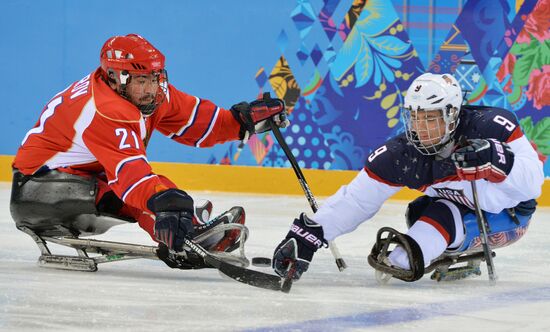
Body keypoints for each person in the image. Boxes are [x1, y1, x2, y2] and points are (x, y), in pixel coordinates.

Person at [10, 34, 288, 269]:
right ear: (115, 78)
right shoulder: (103, 111)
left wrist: (242, 123)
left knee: (161, 195)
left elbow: (198, 122)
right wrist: (164, 204)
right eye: (142, 80)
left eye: (155, 78)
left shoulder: (145, 93)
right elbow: (130, 177)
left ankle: (189, 226)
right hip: (40, 189)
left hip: (78, 176)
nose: (151, 88)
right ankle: (189, 237)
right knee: (158, 194)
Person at [272, 72, 544, 282]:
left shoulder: (490, 126)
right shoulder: (401, 155)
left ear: (452, 114)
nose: (420, 129)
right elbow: (356, 201)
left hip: (510, 215)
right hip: (456, 208)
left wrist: (498, 160)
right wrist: (309, 235)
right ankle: (441, 248)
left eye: (430, 118)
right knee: (420, 212)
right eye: (415, 118)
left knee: (423, 235)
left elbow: (533, 184)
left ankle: (436, 246)